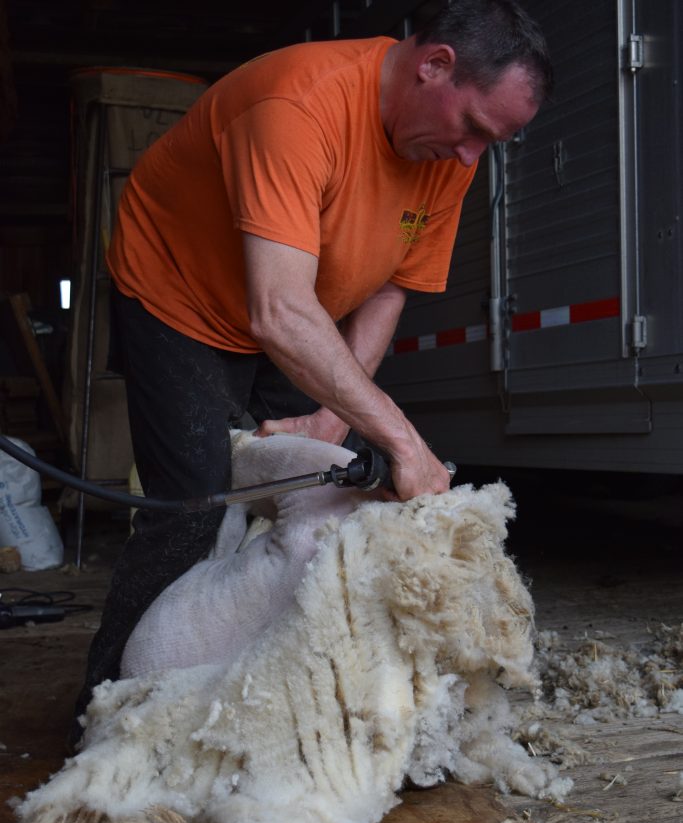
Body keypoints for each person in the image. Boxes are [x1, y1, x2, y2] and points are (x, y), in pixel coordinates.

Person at [70, 0, 552, 739]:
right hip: (181, 293)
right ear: (434, 65)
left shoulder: (447, 151)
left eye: (492, 142)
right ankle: (105, 715)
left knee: (330, 488)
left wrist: (334, 417)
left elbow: (390, 286)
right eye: (474, 129)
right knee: (194, 503)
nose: (470, 158)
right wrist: (403, 440)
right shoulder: (297, 105)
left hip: (300, 310)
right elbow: (279, 312)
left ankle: (278, 702)